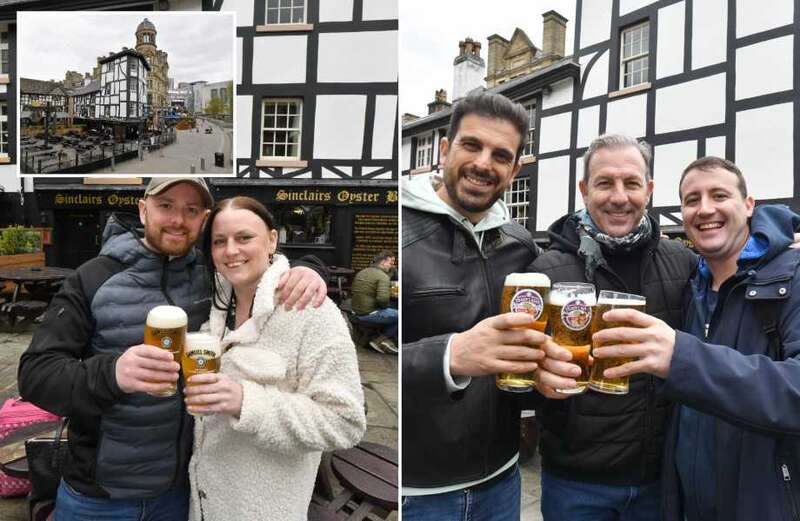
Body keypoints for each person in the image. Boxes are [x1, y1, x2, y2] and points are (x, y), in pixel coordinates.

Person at [17, 177, 328, 521]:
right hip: (99, 496)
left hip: (181, 495)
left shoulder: (212, 277)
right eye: (166, 206)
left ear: (203, 218)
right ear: (143, 209)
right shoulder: (92, 278)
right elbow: (35, 374)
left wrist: (309, 269)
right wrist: (111, 373)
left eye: (191, 210)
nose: (178, 220)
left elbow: (255, 263)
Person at [591, 157, 800, 521]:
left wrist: (681, 358)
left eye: (719, 195)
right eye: (691, 200)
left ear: (749, 205)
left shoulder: (792, 278)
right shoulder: (691, 285)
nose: (705, 209)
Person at [529, 134, 697, 521]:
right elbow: (516, 375)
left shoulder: (683, 263)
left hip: (660, 479)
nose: (619, 197)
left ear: (649, 190)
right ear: (584, 190)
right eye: (605, 183)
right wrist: (537, 380)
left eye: (632, 183)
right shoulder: (545, 272)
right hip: (575, 482)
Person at [402, 91, 552, 520]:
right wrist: (451, 356)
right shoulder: (402, 228)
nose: (484, 163)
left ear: (514, 169)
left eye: (501, 155)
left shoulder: (521, 246)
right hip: (418, 493)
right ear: (445, 150)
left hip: (502, 480)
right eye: (472, 145)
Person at [183, 196, 366, 520]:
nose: (231, 251)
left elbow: (345, 422)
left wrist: (247, 402)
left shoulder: (312, 312)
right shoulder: (215, 310)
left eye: (244, 238)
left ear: (272, 239)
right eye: (219, 241)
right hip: (205, 505)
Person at [351, 250, 398, 352]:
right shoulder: (383, 277)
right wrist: (386, 306)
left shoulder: (362, 272)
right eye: (391, 263)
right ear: (383, 262)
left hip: (355, 311)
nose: (392, 266)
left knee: (392, 309)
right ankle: (381, 340)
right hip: (368, 314)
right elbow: (382, 300)